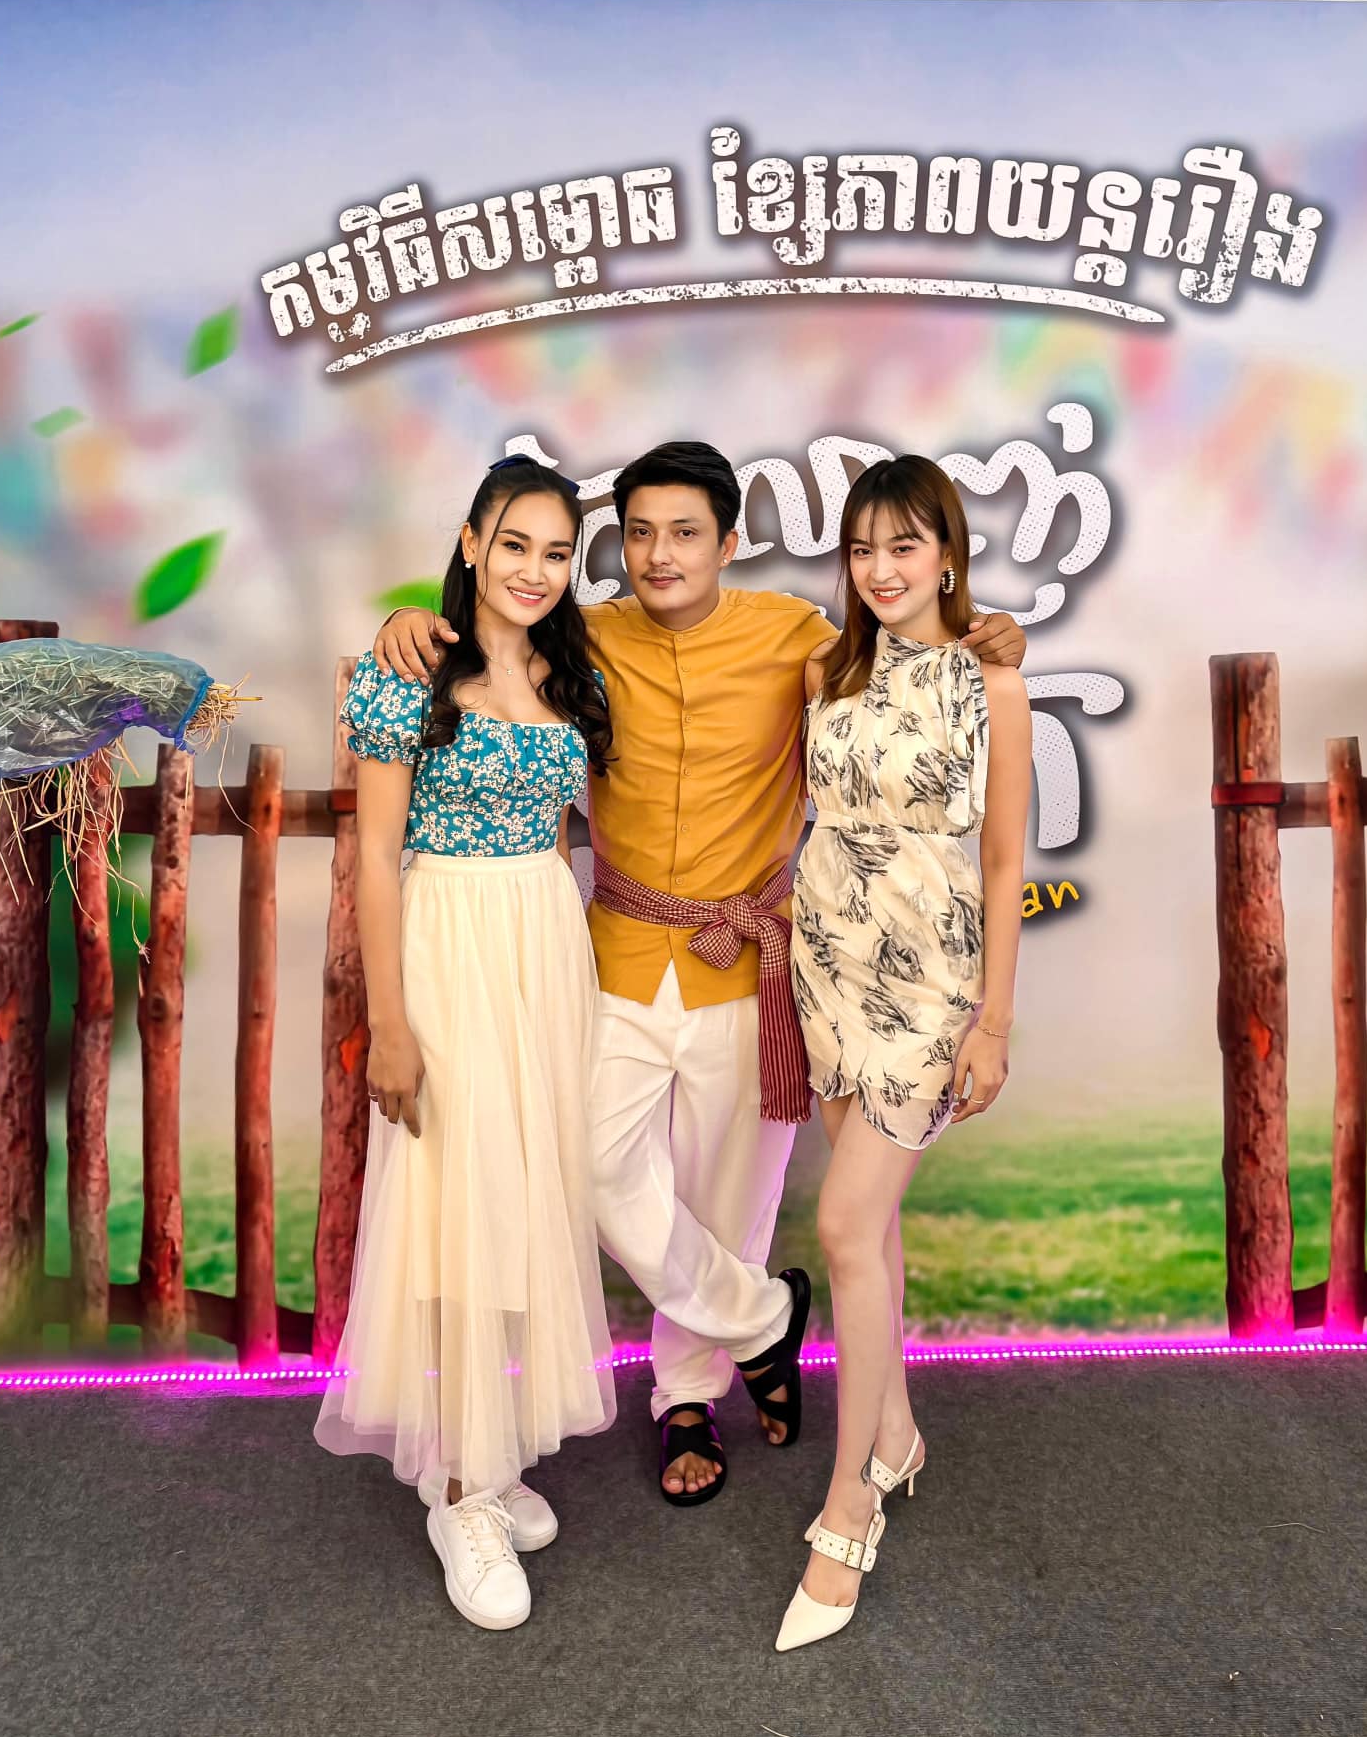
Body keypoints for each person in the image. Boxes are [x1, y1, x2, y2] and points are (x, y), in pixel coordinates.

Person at [374, 441, 1027, 1505]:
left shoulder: (800, 640)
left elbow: (905, 658)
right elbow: (482, 637)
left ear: (729, 543)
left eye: (685, 533)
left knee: (729, 1198)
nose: (659, 554)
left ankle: (688, 1397)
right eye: (638, 533)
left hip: (752, 963)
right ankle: (764, 1319)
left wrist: (993, 636)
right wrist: (406, 621)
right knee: (587, 1167)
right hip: (618, 953)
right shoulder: (582, 640)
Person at [314, 456, 617, 1633]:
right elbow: (377, 863)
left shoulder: (569, 675)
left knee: (521, 1199)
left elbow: (569, 836)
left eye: (557, 551)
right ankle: (454, 1491)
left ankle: (486, 1454)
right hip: (449, 946)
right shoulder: (410, 674)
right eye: (515, 543)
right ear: (472, 539)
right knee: (454, 1204)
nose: (536, 570)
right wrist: (391, 1023)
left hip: (542, 948)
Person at [775, 454, 1031, 1653]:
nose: (882, 569)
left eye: (905, 545)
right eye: (864, 548)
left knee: (840, 1224)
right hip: (825, 958)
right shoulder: (824, 668)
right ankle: (897, 1432)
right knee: (868, 1228)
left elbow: (1005, 861)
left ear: (947, 553)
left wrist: (994, 1020)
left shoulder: (994, 682)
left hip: (929, 979)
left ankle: (848, 1510)